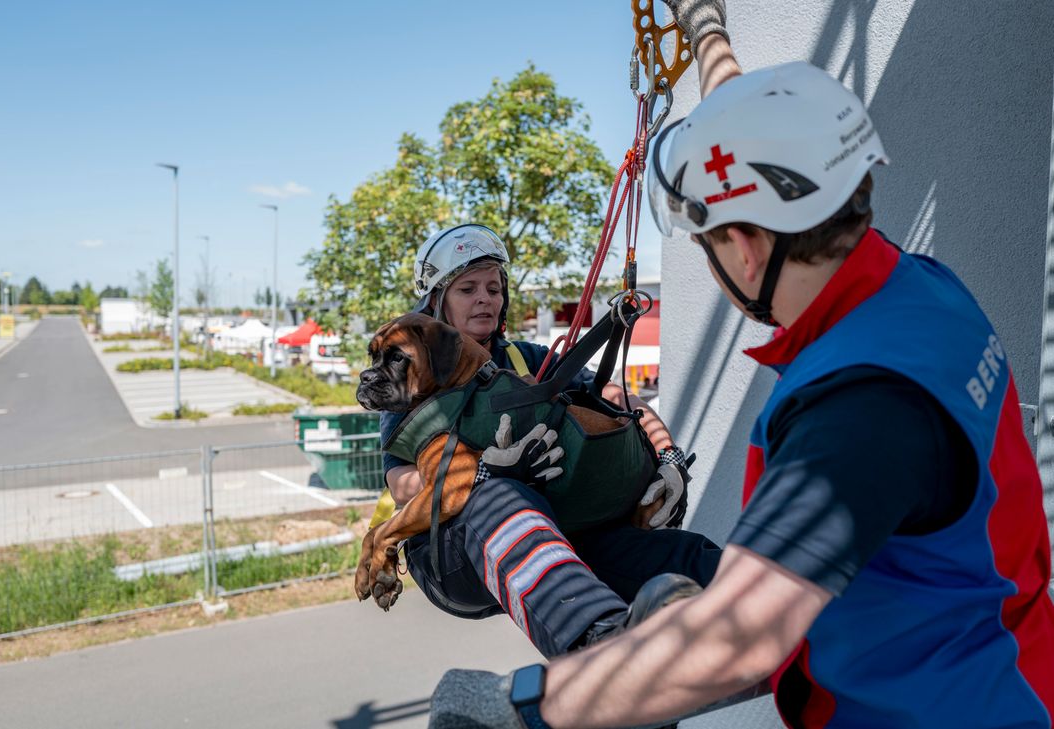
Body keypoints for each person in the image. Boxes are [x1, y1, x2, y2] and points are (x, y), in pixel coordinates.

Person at [427, 2, 1054, 727]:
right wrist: (705, 30)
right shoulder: (922, 294)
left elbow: (740, 641)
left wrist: (519, 705)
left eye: (707, 242)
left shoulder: (858, 408)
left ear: (747, 250)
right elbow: (768, 135)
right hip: (998, 666)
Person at [376, 222, 723, 659]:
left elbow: (617, 397)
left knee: (682, 557)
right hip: (452, 548)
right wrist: (482, 473)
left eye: (493, 287)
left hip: (555, 530)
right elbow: (401, 481)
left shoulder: (527, 360)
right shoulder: (408, 372)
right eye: (468, 288)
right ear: (436, 300)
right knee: (501, 495)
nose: (485, 297)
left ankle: (764, 601)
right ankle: (594, 642)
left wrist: (668, 457)